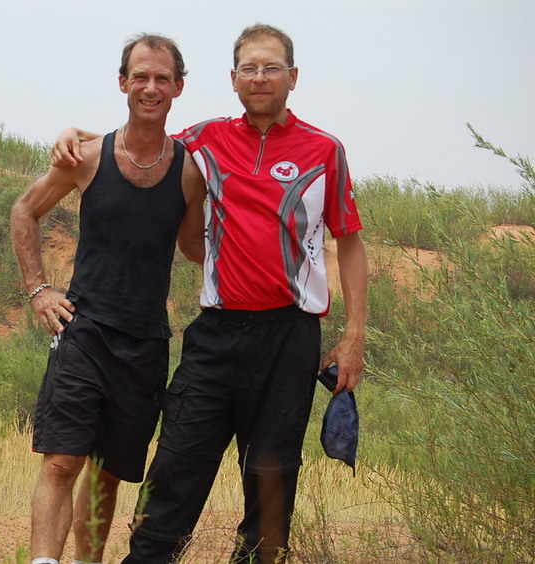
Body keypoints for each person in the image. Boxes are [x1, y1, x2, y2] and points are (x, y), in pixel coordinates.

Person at [52, 23, 368, 564]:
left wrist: (355, 335)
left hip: (289, 336)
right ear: (233, 78)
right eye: (249, 67)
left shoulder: (325, 150)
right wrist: (77, 133)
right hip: (215, 336)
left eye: (271, 67)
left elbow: (351, 243)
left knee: (271, 476)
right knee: (175, 465)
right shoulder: (206, 139)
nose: (260, 77)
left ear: (293, 77)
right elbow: (140, 136)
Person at [10, 33, 206, 564]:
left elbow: (193, 247)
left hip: (146, 343)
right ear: (122, 83)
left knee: (108, 476)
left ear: (178, 88)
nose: (150, 86)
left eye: (161, 78)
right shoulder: (87, 158)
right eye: (140, 76)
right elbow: (24, 210)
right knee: (59, 464)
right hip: (84, 330)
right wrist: (38, 289)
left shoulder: (191, 172)